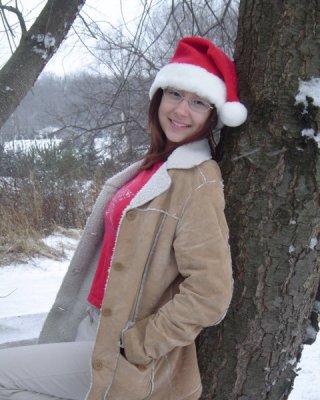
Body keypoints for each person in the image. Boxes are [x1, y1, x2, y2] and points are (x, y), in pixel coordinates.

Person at [0, 36, 247, 400]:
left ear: (212, 115)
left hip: (123, 341)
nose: (181, 110)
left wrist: (138, 343)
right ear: (159, 96)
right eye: (175, 94)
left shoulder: (197, 179)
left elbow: (211, 292)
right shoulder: (153, 166)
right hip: (92, 324)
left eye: (198, 102)